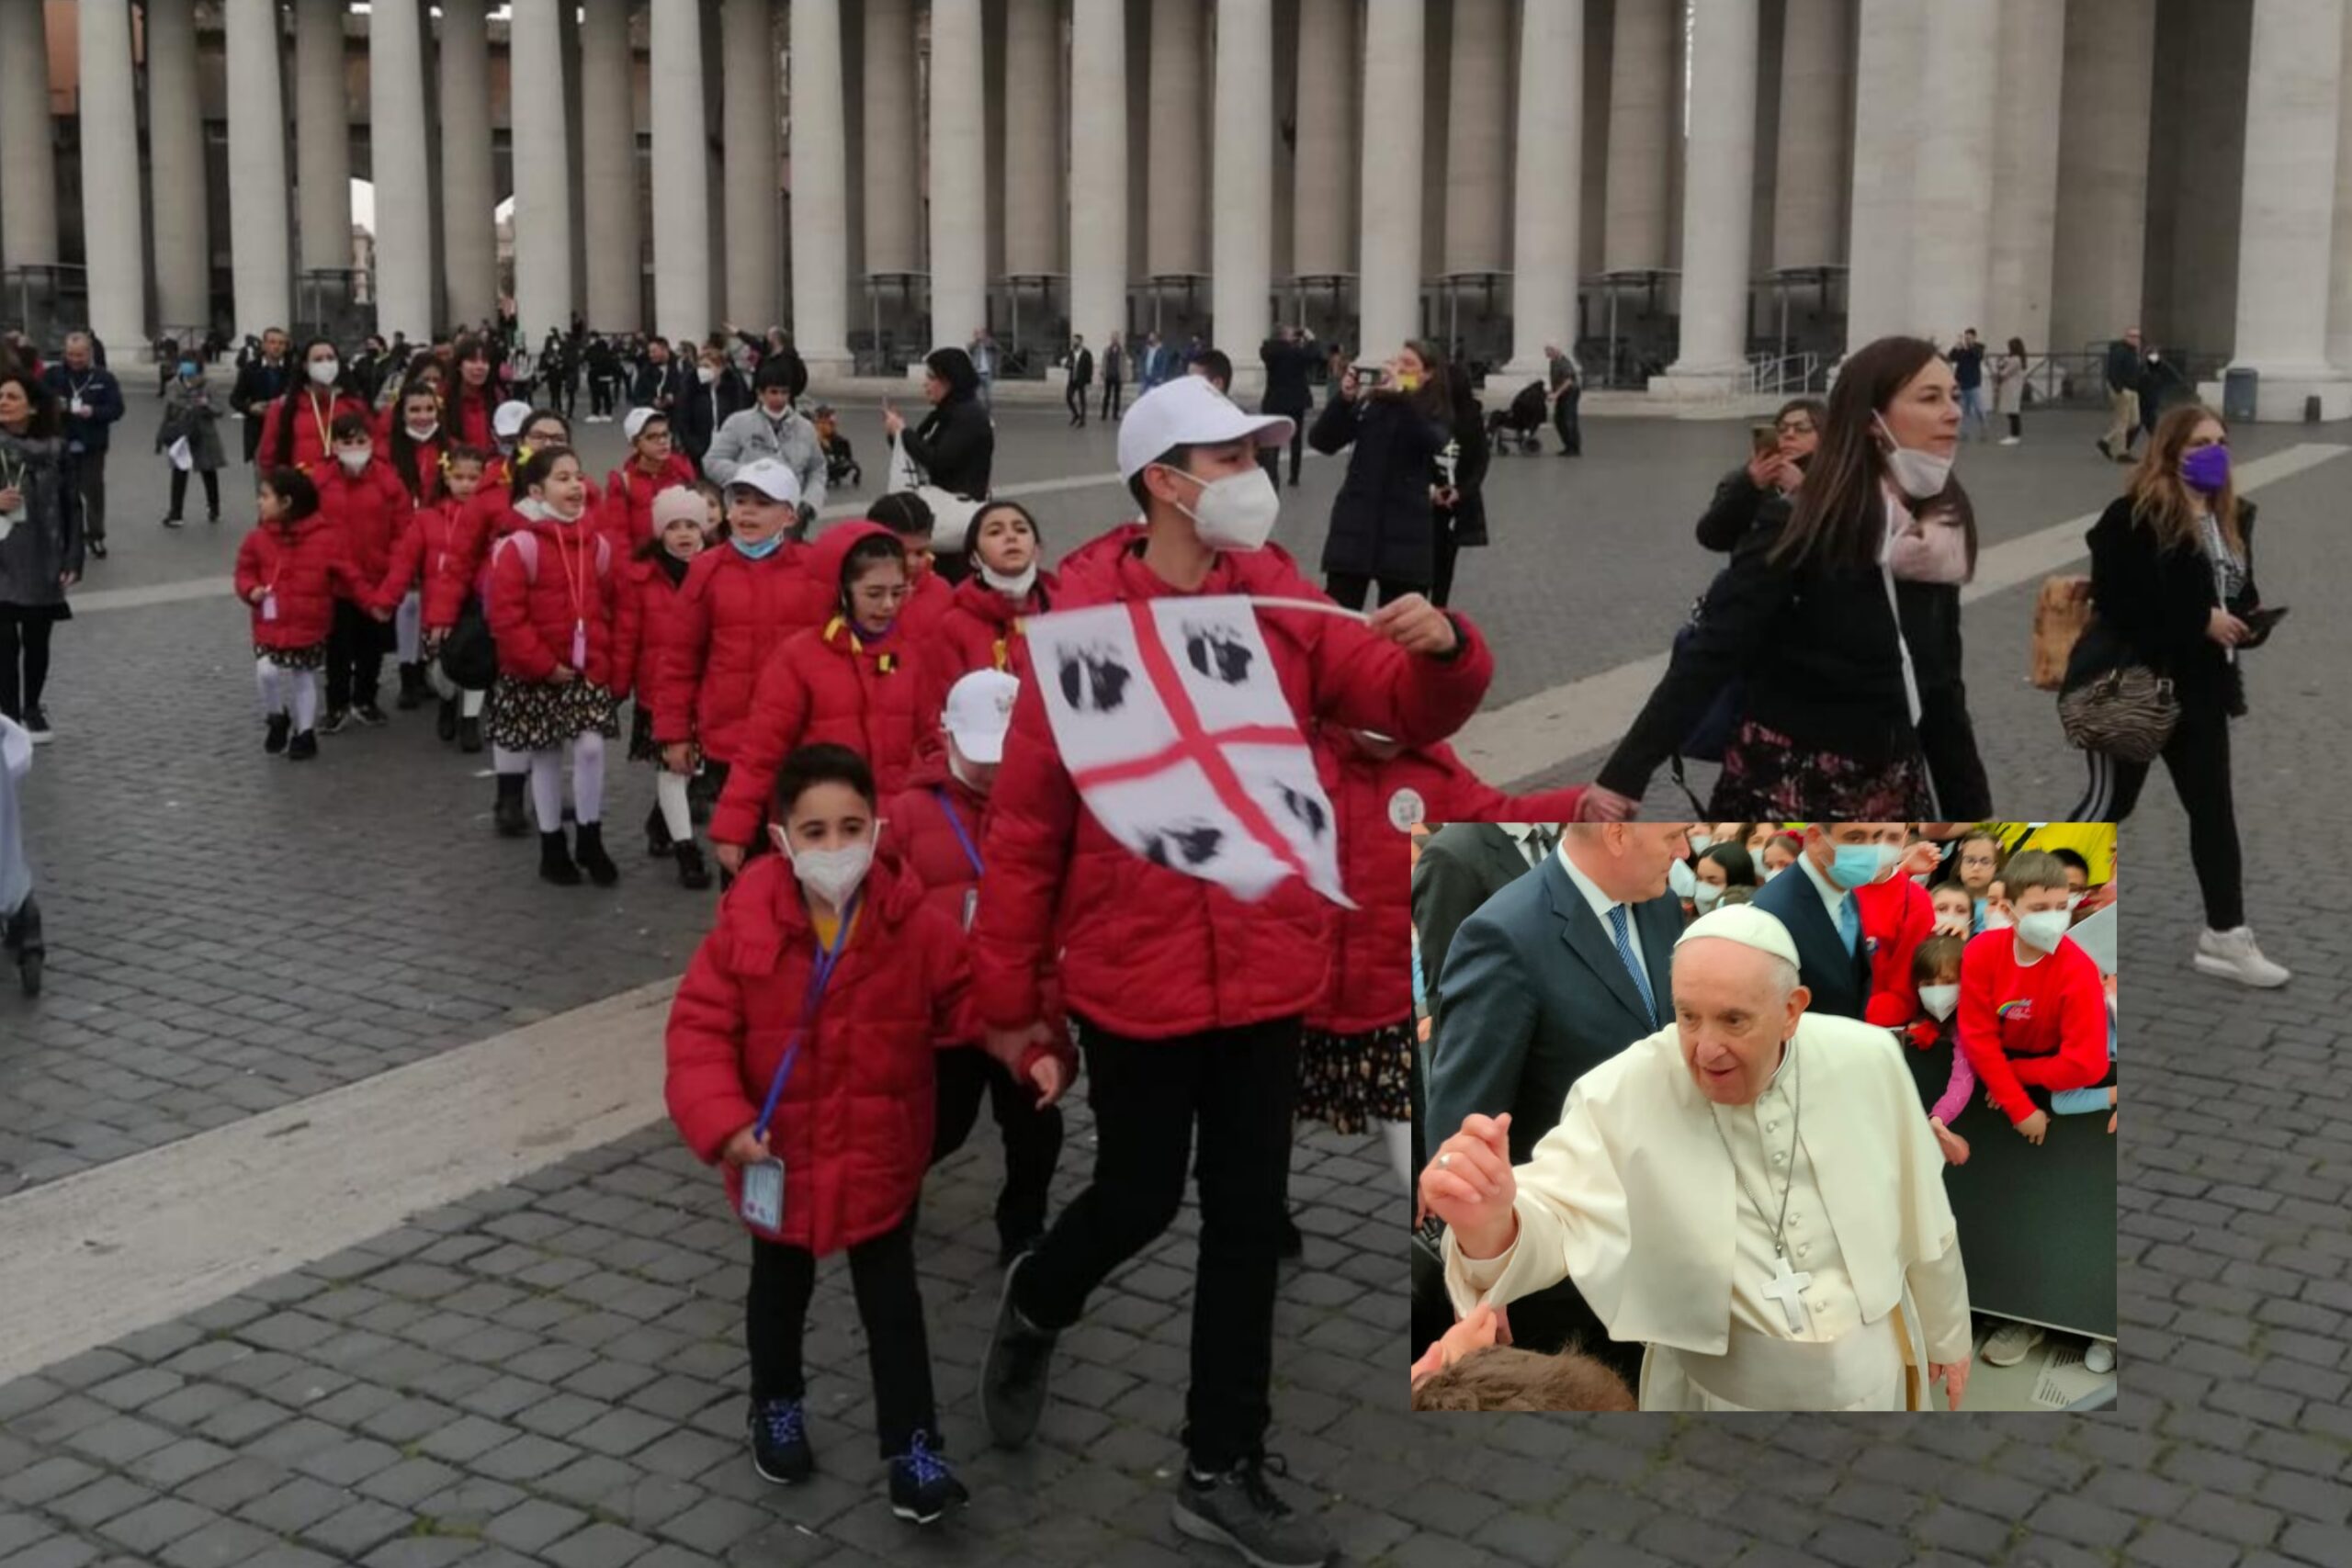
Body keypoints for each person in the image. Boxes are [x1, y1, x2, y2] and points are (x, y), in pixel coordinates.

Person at [974, 374, 1490, 1566]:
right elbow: (1027, 828)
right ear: (1165, 480)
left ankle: (1221, 1462)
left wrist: (1447, 646)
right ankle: (1041, 1296)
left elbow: (1394, 701)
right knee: (1142, 1195)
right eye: (1231, 457)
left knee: (1248, 1218)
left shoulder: (1277, 593)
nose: (1255, 475)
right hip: (1135, 971)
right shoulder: (1086, 623)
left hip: (1268, 962)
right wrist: (1010, 1000)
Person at [662, 742, 1064, 1527]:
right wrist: (726, 1125)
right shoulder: (747, 925)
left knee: (894, 1306)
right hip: (778, 1150)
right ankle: (774, 1404)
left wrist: (1028, 1049)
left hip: (880, 1148)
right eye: (816, 831)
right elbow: (699, 1034)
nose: (835, 847)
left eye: (851, 827)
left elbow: (969, 997)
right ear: (782, 841)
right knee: (778, 1293)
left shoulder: (907, 921)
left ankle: (914, 1447)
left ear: (878, 831)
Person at [1427, 903, 1973, 1412]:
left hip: (1870, 1384)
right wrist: (1493, 1220)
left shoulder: (1867, 1059)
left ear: (1791, 1010)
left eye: (1734, 1021)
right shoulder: (1624, 1088)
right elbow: (1555, 1213)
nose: (1705, 1049)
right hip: (1723, 1397)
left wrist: (1947, 1334)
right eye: (1688, 1017)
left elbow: (1925, 1207)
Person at [1588, 336, 1978, 820]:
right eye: (1929, 397)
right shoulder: (1796, 526)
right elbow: (1713, 652)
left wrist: (1975, 822)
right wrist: (1622, 777)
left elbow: (1942, 694)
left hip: (1893, 798)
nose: (1953, 413)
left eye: (1954, 396)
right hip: (1786, 795)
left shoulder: (1938, 537)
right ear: (1871, 420)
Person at [1423, 821, 1688, 1385]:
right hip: (1560, 1271)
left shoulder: (1659, 906)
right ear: (1618, 834)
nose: (1684, 850)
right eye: (1673, 836)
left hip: (1662, 1245)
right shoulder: (1503, 934)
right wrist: (1483, 1275)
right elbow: (1465, 1121)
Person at [2066, 406, 2286, 987]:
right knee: (2108, 805)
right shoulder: (2133, 516)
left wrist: (2247, 621)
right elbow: (2118, 599)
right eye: (2200, 443)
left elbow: (2237, 593)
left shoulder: (2233, 517)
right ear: (2170, 451)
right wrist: (2199, 620)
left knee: (2213, 813)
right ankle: (2042, 911)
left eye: (2221, 441)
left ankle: (2226, 935)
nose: (2215, 452)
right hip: (2134, 683)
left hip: (2203, 691)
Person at [886, 670, 1069, 1264]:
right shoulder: (909, 813)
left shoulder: (1042, 800)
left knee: (1036, 1128)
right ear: (947, 735)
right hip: (946, 1012)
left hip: (1021, 998)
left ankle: (1023, 1227)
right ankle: (889, 1205)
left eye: (1004, 753)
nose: (994, 770)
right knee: (941, 1126)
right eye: (983, 753)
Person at [710, 521, 938, 874]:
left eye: (898, 591)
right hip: (819, 834)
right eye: (874, 594)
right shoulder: (798, 658)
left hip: (894, 836)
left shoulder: (914, 654)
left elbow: (933, 742)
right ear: (842, 591)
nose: (889, 605)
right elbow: (760, 752)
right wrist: (733, 828)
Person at [650, 460, 829, 865]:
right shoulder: (706, 570)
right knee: (740, 851)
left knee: (797, 851)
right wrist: (675, 733)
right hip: (730, 738)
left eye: (762, 503)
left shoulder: (814, 570)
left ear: (789, 514)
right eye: (740, 501)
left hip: (798, 736)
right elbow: (680, 656)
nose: (747, 512)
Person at [487, 446, 634, 887]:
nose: (575, 486)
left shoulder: (597, 542)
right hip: (536, 672)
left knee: (590, 748)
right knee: (546, 755)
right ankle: (553, 846)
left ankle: (590, 835)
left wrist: (605, 662)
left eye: (577, 476)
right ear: (537, 490)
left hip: (585, 668)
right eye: (562, 478)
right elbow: (506, 617)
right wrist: (542, 664)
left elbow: (611, 607)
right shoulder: (519, 545)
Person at [1310, 341, 1451, 610]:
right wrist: (1345, 399)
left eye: (1408, 365)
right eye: (1397, 362)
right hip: (1355, 526)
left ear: (1428, 374)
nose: (1398, 369)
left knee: (1398, 627)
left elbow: (1435, 441)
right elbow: (1322, 441)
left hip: (1405, 533)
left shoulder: (1433, 408)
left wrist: (1405, 395)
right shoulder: (1372, 402)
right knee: (1340, 617)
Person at [620, 486, 715, 889]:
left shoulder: (716, 571)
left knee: (696, 767)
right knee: (674, 769)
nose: (683, 534)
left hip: (709, 689)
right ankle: (686, 851)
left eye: (691, 525)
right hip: (659, 689)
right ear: (660, 532)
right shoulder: (641, 579)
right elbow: (628, 637)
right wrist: (616, 686)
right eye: (674, 526)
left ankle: (660, 823)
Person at [373, 446, 492, 752]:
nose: (466, 484)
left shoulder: (490, 517)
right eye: (459, 477)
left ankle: (469, 721)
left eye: (474, 478)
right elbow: (404, 562)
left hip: (474, 603)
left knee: (475, 664)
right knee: (442, 666)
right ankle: (447, 703)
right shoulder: (426, 519)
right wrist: (387, 599)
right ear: (446, 478)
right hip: (437, 604)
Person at [235, 468, 349, 762]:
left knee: (303, 677)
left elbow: (345, 573)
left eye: (265, 497)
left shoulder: (322, 538)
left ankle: (305, 731)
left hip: (307, 621)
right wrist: (251, 590)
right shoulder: (257, 538)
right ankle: (276, 716)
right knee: (266, 671)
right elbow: (244, 572)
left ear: (285, 502)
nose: (259, 502)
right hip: (269, 622)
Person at [313, 412, 410, 732]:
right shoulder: (321, 481)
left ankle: (365, 698)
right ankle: (337, 703)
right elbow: (314, 530)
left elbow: (403, 531)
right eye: (347, 442)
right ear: (335, 444)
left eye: (360, 441)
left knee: (372, 646)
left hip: (377, 578)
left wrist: (392, 573)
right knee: (337, 647)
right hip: (336, 582)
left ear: (372, 442)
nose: (354, 447)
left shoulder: (388, 480)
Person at [0, 373, 80, 742]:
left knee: (36, 640)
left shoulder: (55, 450)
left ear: (31, 407)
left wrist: (72, 557)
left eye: (12, 397)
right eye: (0, 396)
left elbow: (70, 506)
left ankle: (32, 706)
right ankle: (9, 714)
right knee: (4, 643)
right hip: (2, 557)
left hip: (41, 556)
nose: (3, 402)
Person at [1748, 822, 1894, 1021]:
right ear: (1815, 836)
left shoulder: (1843, 891)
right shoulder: (1773, 912)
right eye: (1855, 838)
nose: (1869, 849)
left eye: (1876, 837)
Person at [937, 499, 1054, 678]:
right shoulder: (953, 626)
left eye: (1021, 530)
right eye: (995, 532)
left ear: (1037, 551)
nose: (1011, 537)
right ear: (975, 557)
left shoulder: (1065, 608)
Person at [1694, 398, 1823, 553]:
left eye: (1802, 428)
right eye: (1781, 429)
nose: (1789, 435)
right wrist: (1749, 485)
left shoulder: (1837, 480)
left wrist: (1804, 492)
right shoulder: (1745, 478)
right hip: (1754, 572)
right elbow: (1712, 537)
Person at [41, 333, 124, 563]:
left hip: (92, 444)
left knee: (93, 491)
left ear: (89, 353)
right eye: (70, 354)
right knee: (60, 491)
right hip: (60, 442)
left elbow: (117, 409)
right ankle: (64, 535)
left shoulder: (104, 378)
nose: (75, 359)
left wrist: (94, 412)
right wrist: (53, 406)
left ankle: (95, 535)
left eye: (79, 355)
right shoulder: (53, 376)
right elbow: (37, 402)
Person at [704, 360, 825, 508]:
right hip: (750, 509)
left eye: (784, 392)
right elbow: (712, 461)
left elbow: (817, 470)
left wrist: (809, 503)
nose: (779, 398)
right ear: (760, 394)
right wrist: (750, 475)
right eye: (773, 392)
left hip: (791, 512)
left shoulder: (805, 428)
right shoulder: (738, 422)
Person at [1903, 933, 1975, 1168]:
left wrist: (1939, 1117)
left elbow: (1963, 1077)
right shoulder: (1914, 1014)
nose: (1937, 991)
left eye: (1947, 982)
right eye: (1928, 984)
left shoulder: (1968, 1021)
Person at [884, 348, 994, 499]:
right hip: (942, 501)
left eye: (931, 377)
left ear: (950, 380)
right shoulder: (943, 412)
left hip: (959, 508)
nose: (925, 384)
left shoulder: (968, 415)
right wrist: (895, 433)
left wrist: (902, 431)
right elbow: (918, 450)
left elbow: (937, 461)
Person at [1430, 360, 1490, 610]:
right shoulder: (1434, 414)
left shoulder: (1464, 417)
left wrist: (1459, 491)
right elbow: (1481, 462)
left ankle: (1436, 609)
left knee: (1440, 559)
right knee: (1441, 562)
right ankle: (1437, 607)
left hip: (1451, 498)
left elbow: (1479, 460)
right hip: (1442, 496)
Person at [260, 339, 369, 476]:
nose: (326, 364)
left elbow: (372, 448)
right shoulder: (283, 408)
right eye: (318, 359)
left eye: (330, 358)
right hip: (302, 488)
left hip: (344, 488)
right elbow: (268, 457)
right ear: (305, 366)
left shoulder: (354, 406)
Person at [603, 409, 700, 557]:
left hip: (682, 561)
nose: (662, 441)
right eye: (652, 437)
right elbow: (618, 536)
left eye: (665, 434)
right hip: (643, 566)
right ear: (635, 444)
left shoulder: (683, 470)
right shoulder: (623, 483)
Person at [865, 491, 954, 644]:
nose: (911, 563)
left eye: (920, 553)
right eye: (901, 553)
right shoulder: (856, 597)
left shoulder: (942, 592)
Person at [157, 355, 227, 528]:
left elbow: (219, 409)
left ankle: (214, 507)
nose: (188, 372)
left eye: (192, 368)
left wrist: (206, 405)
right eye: (184, 366)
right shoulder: (173, 385)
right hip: (181, 433)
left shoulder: (210, 385)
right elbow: (168, 410)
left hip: (203, 432)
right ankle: (176, 513)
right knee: (179, 471)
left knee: (208, 470)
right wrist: (161, 435)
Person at [676, 342, 754, 470]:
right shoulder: (691, 390)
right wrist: (696, 449)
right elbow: (683, 420)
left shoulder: (733, 390)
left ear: (720, 368)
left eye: (707, 366)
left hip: (728, 453)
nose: (702, 370)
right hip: (699, 453)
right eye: (700, 366)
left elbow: (740, 418)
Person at [1257, 325, 1318, 487]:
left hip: (1274, 401)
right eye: (1292, 333)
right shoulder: (1294, 352)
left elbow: (1268, 347)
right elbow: (1314, 356)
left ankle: (1272, 472)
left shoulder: (1268, 351)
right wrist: (1311, 339)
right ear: (1284, 336)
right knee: (1296, 440)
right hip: (1295, 401)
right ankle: (1294, 476)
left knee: (1273, 439)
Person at [232, 327, 293, 465]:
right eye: (272, 342)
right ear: (264, 345)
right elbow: (235, 399)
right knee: (262, 481)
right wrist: (250, 408)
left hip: (286, 432)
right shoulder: (250, 369)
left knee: (286, 481)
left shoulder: (293, 370)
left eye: (281, 343)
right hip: (259, 432)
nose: (276, 347)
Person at [2098, 326, 2143, 463]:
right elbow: (2113, 372)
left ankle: (2106, 440)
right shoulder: (2120, 351)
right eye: (2132, 336)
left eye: (2138, 337)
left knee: (2134, 422)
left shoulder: (2133, 352)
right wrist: (2119, 389)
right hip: (2123, 391)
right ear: (2126, 337)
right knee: (2122, 422)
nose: (2136, 339)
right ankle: (2121, 453)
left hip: (2133, 390)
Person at [1948, 328, 1987, 442]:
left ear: (1974, 337)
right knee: (1963, 411)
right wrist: (1956, 347)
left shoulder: (1979, 347)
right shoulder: (1962, 349)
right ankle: (1964, 433)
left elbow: (1978, 356)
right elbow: (1951, 357)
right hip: (1962, 384)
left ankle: (1984, 429)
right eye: (1966, 338)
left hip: (1974, 384)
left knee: (1979, 408)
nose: (1967, 339)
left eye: (1969, 338)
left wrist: (1969, 347)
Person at [1546, 344, 1582, 457]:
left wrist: (1556, 394)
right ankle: (1568, 446)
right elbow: (1556, 379)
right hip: (1562, 392)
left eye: (1548, 351)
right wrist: (1552, 392)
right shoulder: (1553, 362)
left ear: (1555, 351)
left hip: (1570, 392)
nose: (1546, 354)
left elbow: (1569, 381)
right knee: (1559, 419)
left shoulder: (1564, 363)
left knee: (1569, 419)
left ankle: (1574, 448)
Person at [1992, 337, 2030, 446]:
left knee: (2013, 413)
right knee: (2011, 412)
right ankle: (2014, 435)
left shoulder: (2016, 359)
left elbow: (2005, 372)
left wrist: (1999, 372)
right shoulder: (2014, 358)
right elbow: (2002, 365)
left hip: (2012, 389)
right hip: (2011, 388)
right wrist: (2001, 364)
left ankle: (2015, 436)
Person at [1065, 334, 1092, 427]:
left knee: (1082, 400)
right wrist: (1068, 365)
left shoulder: (1086, 353)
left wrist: (1088, 380)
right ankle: (1076, 414)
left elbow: (1089, 367)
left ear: (1080, 342)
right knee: (1068, 397)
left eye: (1075, 341)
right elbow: (1067, 365)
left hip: (1082, 379)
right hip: (1072, 379)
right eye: (1073, 341)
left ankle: (1082, 420)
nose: (1073, 342)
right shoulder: (1071, 352)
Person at [967, 328, 998, 410]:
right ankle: (978, 411)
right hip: (977, 373)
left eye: (981, 334)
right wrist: (977, 341)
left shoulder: (989, 344)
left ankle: (988, 412)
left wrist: (986, 340)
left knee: (988, 396)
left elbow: (995, 347)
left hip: (987, 373)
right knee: (977, 395)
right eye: (978, 334)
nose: (980, 336)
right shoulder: (973, 345)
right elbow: (969, 349)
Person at [1100, 332, 1126, 422]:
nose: (1114, 340)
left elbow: (1124, 364)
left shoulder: (1122, 351)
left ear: (1118, 339)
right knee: (1106, 396)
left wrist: (1124, 375)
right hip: (1109, 375)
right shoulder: (1107, 350)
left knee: (1117, 396)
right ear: (1111, 339)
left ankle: (1115, 414)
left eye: (1116, 338)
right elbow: (1104, 362)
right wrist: (1102, 372)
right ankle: (1104, 414)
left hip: (1117, 376)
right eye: (1113, 338)